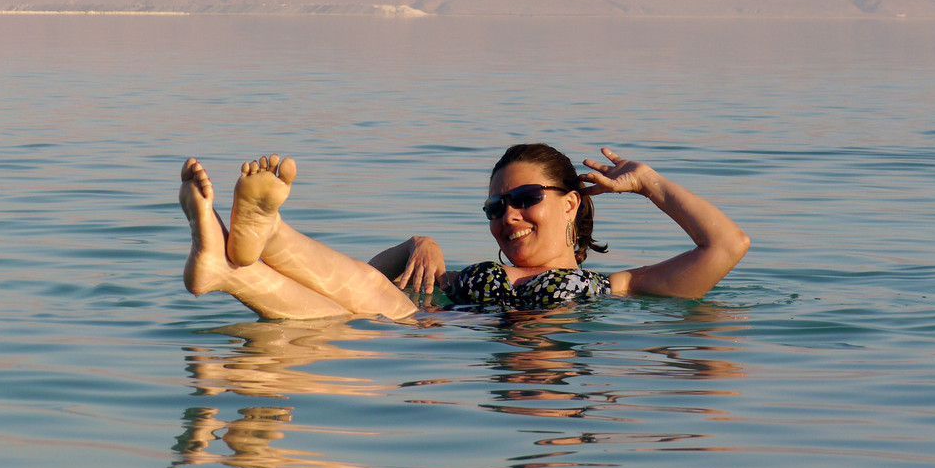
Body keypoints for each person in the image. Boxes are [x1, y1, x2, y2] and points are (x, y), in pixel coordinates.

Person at [178, 144, 749, 320]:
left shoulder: (615, 288)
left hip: (428, 363)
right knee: (378, 302)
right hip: (417, 333)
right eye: (496, 206)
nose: (509, 217)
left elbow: (727, 246)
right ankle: (250, 249)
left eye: (526, 200)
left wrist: (649, 184)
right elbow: (374, 277)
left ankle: (240, 258)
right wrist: (415, 245)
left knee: (370, 318)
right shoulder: (464, 276)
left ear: (572, 203)